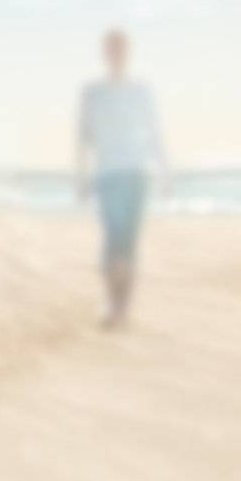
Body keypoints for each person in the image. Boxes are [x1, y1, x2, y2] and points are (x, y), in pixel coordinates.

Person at [76, 30, 167, 328]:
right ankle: (114, 305)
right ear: (106, 53)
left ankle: (122, 309)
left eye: (121, 48)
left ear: (127, 52)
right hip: (108, 174)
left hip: (137, 173)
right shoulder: (93, 93)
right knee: (113, 243)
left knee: (129, 244)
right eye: (111, 48)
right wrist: (82, 175)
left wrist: (164, 171)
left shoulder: (142, 91)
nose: (116, 53)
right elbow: (84, 138)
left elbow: (155, 133)